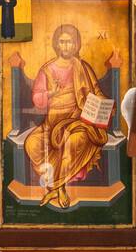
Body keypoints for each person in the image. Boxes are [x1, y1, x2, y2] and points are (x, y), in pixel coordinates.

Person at [24, 24, 110, 209]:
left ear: (76, 44)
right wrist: (51, 94)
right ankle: (57, 185)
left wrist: (104, 105)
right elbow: (37, 98)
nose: (66, 46)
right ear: (56, 44)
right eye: (62, 42)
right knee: (31, 143)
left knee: (71, 143)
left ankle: (59, 188)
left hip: (78, 121)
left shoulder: (83, 67)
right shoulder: (47, 69)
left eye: (70, 42)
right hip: (51, 124)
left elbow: (96, 92)